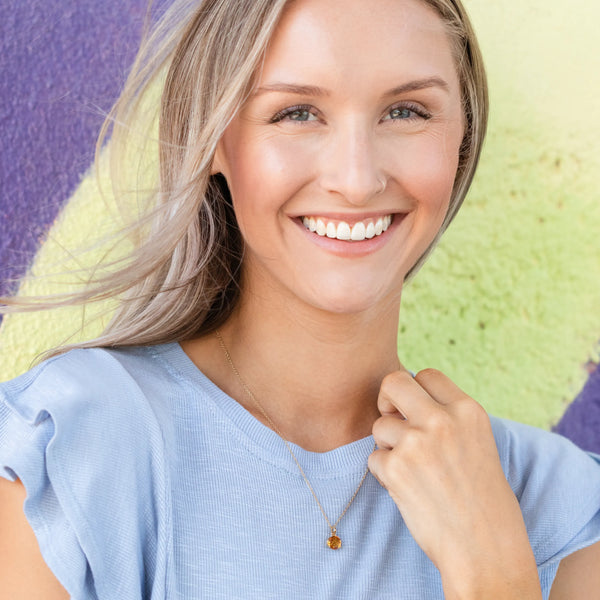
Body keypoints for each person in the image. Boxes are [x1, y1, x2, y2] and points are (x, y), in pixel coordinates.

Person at [1, 0, 599, 598]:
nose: (357, 178)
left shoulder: (559, 510)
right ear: (215, 139)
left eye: (406, 111)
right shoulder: (67, 455)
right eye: (297, 113)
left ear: (461, 138)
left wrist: (497, 576)